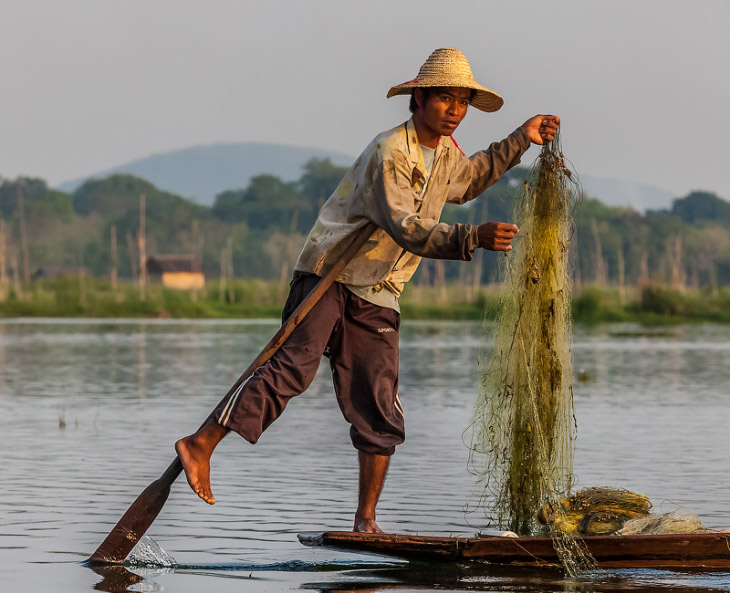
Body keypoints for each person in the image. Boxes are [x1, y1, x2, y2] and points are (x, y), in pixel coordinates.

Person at [175, 47, 559, 533]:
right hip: (330, 275)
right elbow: (406, 226)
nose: (455, 111)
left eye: (462, 102)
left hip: (380, 289)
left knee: (379, 402)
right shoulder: (389, 151)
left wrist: (520, 139)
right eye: (445, 99)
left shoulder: (444, 155)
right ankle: (200, 443)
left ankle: (366, 521)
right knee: (292, 369)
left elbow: (468, 181)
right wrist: (470, 237)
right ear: (418, 99)